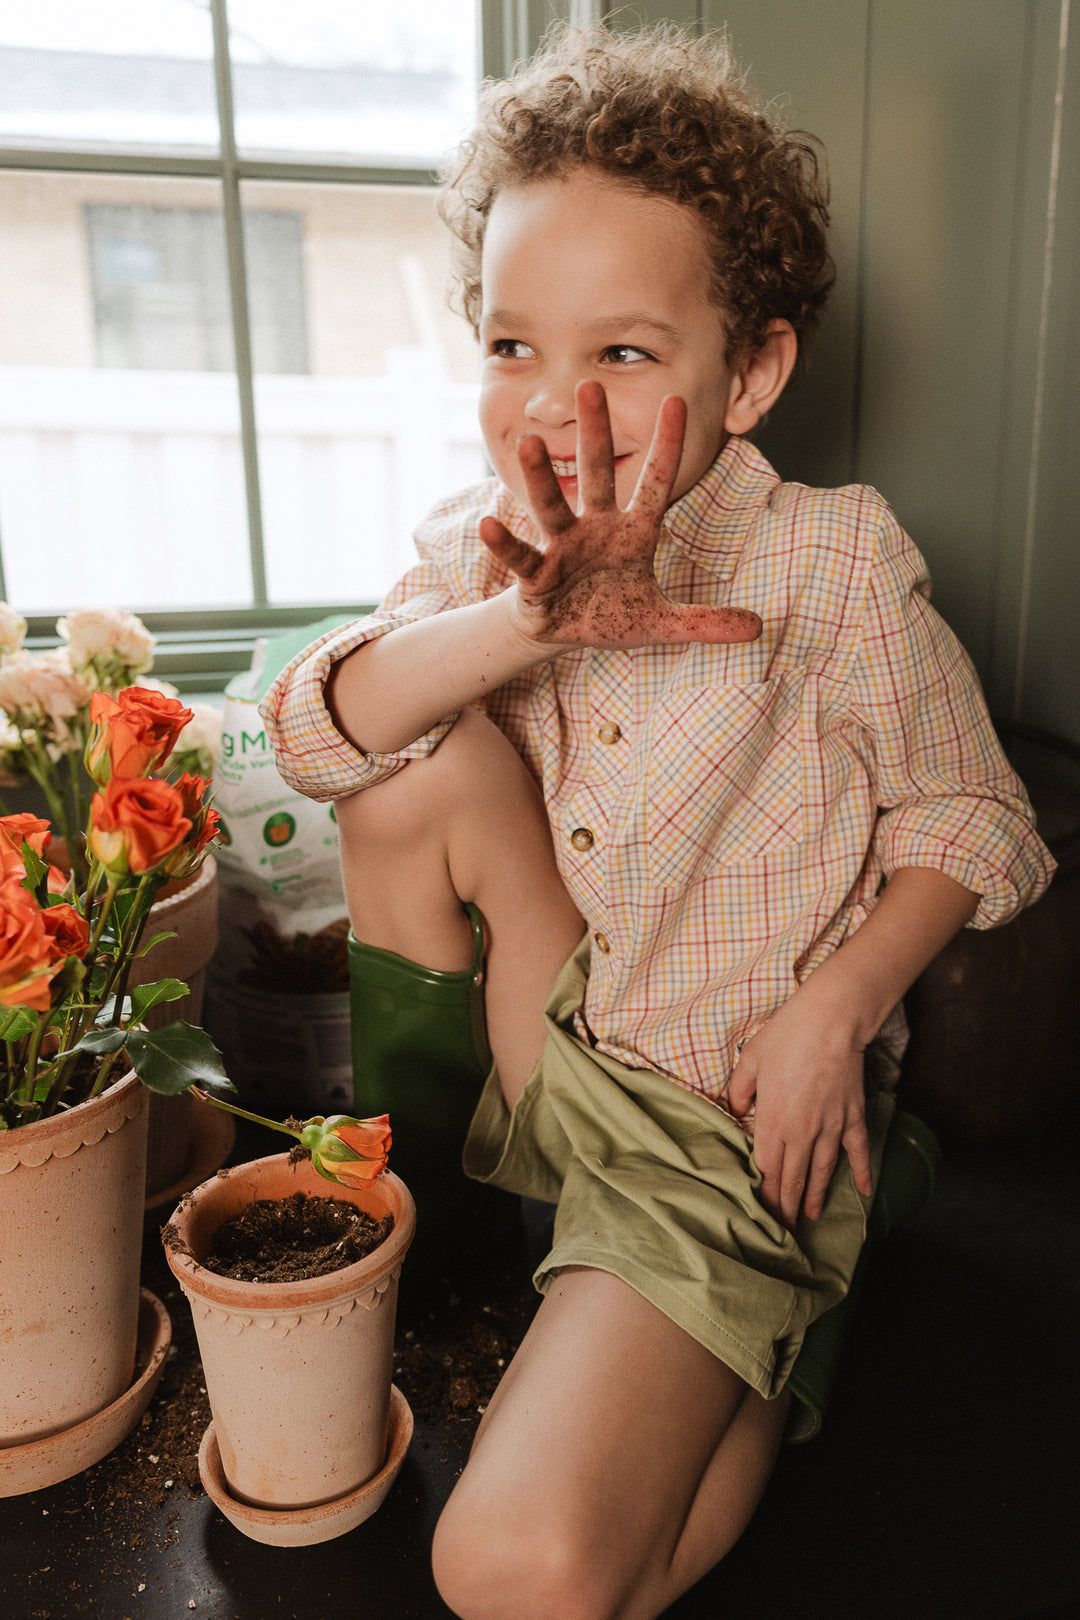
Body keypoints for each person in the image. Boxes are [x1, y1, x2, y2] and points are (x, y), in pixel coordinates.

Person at [261, 25, 1054, 1620]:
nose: (558, 406)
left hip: (717, 1118)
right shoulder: (489, 553)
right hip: (558, 1049)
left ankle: (776, 1307)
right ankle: (465, 1213)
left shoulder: (833, 566)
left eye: (622, 353)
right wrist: (524, 632)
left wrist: (841, 1006)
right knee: (417, 752)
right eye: (509, 347)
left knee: (505, 1572)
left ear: (747, 371)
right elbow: (306, 741)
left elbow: (989, 816)